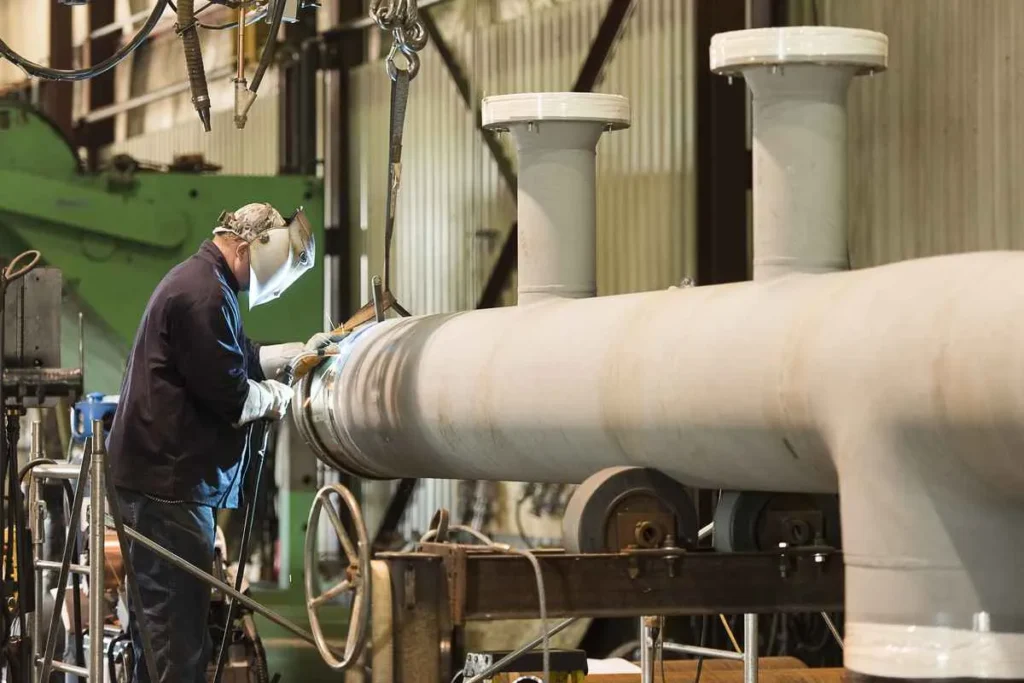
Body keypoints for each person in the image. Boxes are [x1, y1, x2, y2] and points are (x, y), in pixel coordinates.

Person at [107, 202, 328, 682]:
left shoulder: (205, 282)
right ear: (255, 248)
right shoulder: (203, 294)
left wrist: (288, 354)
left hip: (165, 486)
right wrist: (274, 397)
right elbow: (231, 394)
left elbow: (236, 355)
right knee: (178, 644)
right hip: (167, 490)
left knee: (164, 639)